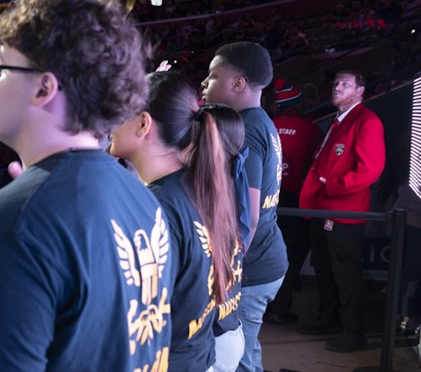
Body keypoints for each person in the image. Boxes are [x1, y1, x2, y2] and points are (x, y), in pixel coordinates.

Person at [0, 0, 171, 371]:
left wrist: (29, 208)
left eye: (1, 68)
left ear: (44, 88)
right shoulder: (141, 196)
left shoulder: (4, 233)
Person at [109, 71, 250, 372]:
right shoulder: (195, 185)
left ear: (143, 124)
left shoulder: (156, 208)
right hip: (198, 356)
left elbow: (129, 317)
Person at [201, 41, 287, 372]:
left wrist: (227, 276)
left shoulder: (248, 128)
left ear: (238, 83)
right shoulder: (259, 120)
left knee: (241, 360)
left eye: (213, 76)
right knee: (245, 352)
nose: (206, 84)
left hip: (253, 268)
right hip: (266, 258)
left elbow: (247, 216)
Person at [298, 70, 385, 353]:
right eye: (335, 83)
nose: (337, 87)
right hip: (324, 209)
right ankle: (329, 317)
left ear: (360, 90)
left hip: (344, 212)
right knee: (325, 268)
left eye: (345, 84)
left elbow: (370, 170)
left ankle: (353, 330)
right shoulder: (339, 121)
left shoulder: (366, 121)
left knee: (345, 273)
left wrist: (334, 187)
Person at [264, 79, 322, 325]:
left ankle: (261, 304)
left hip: (265, 199)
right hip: (295, 199)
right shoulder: (311, 129)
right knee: (294, 252)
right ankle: (280, 306)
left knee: (264, 252)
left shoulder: (267, 125)